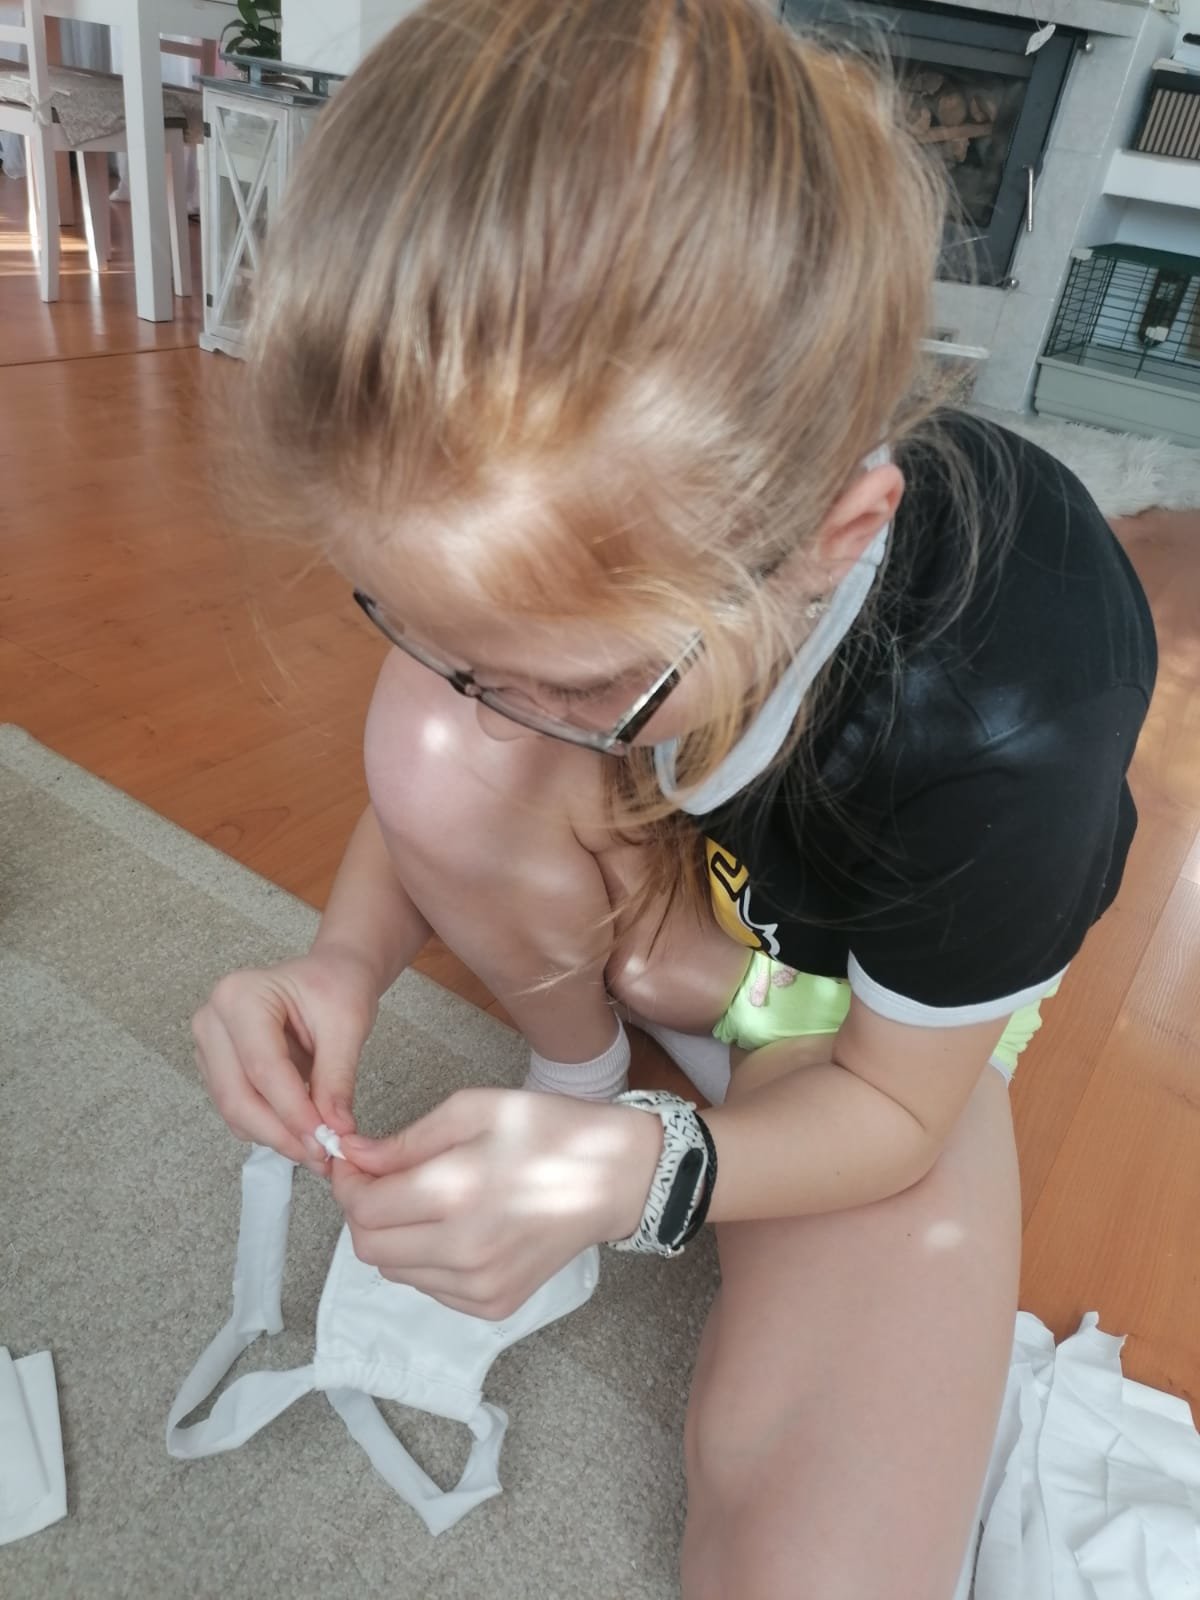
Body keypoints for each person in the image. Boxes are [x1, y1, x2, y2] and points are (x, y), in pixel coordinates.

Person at [189, 2, 1156, 1594]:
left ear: (834, 540)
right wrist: (342, 964)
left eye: (584, 690)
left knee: (816, 1569)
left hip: (864, 1028)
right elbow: (485, 716)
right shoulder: (582, 602)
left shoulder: (1010, 714)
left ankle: (632, 1075)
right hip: (678, 911)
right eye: (420, 631)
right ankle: (584, 1061)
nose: (502, 707)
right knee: (437, 744)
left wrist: (650, 1172)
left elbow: (894, 1114)